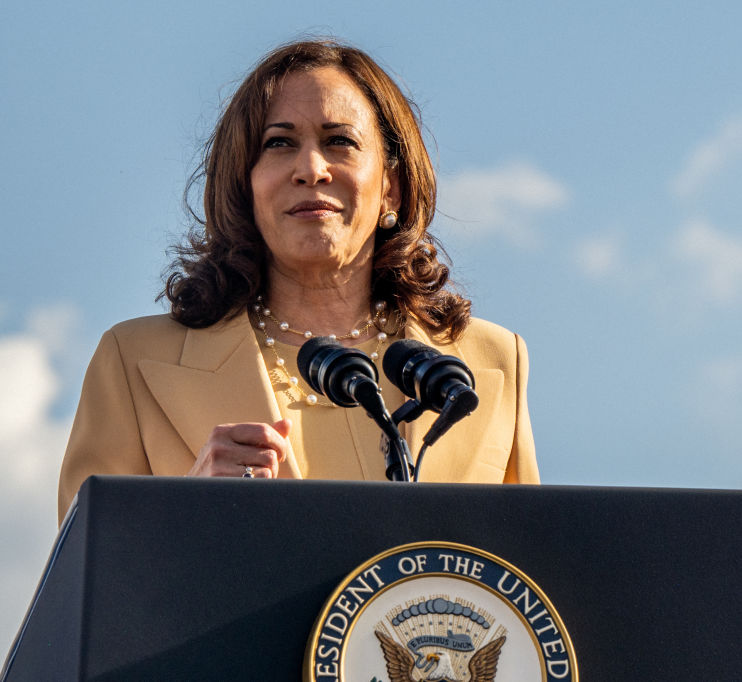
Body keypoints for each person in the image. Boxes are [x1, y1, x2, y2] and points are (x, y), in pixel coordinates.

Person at [57, 40, 538, 521]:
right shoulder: (132, 359)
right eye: (279, 143)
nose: (310, 169)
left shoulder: (493, 362)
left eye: (339, 142)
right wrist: (187, 514)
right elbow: (83, 580)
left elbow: (527, 580)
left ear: (392, 184)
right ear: (245, 184)